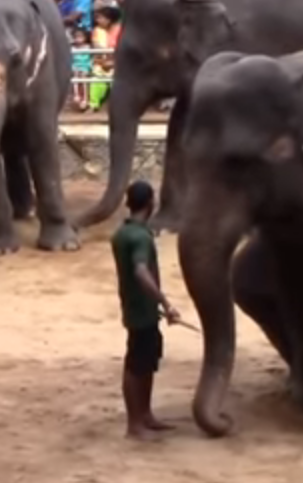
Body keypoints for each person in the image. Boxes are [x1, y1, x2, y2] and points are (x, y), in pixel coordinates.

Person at [111, 180, 182, 440]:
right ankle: (135, 424)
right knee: (137, 365)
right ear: (150, 203)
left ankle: (145, 415)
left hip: (138, 306)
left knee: (146, 362)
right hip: (141, 310)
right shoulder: (140, 237)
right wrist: (165, 302)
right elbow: (141, 271)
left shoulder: (124, 233)